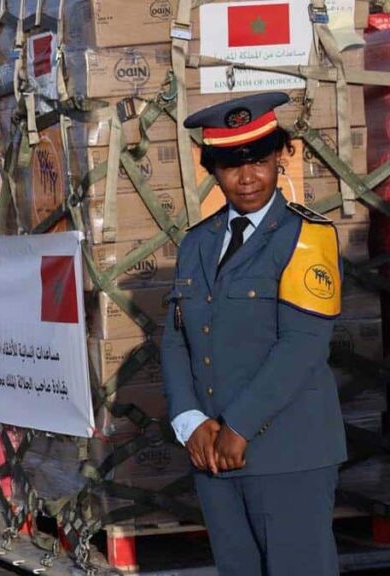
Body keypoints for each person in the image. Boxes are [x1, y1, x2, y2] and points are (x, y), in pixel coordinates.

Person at [161, 92, 346, 575]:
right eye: (231, 166)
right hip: (212, 454)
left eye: (260, 162)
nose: (247, 178)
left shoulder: (307, 237)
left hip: (288, 454)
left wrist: (238, 426)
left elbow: (303, 346)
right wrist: (189, 421)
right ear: (211, 169)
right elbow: (176, 339)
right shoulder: (196, 243)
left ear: (280, 157)